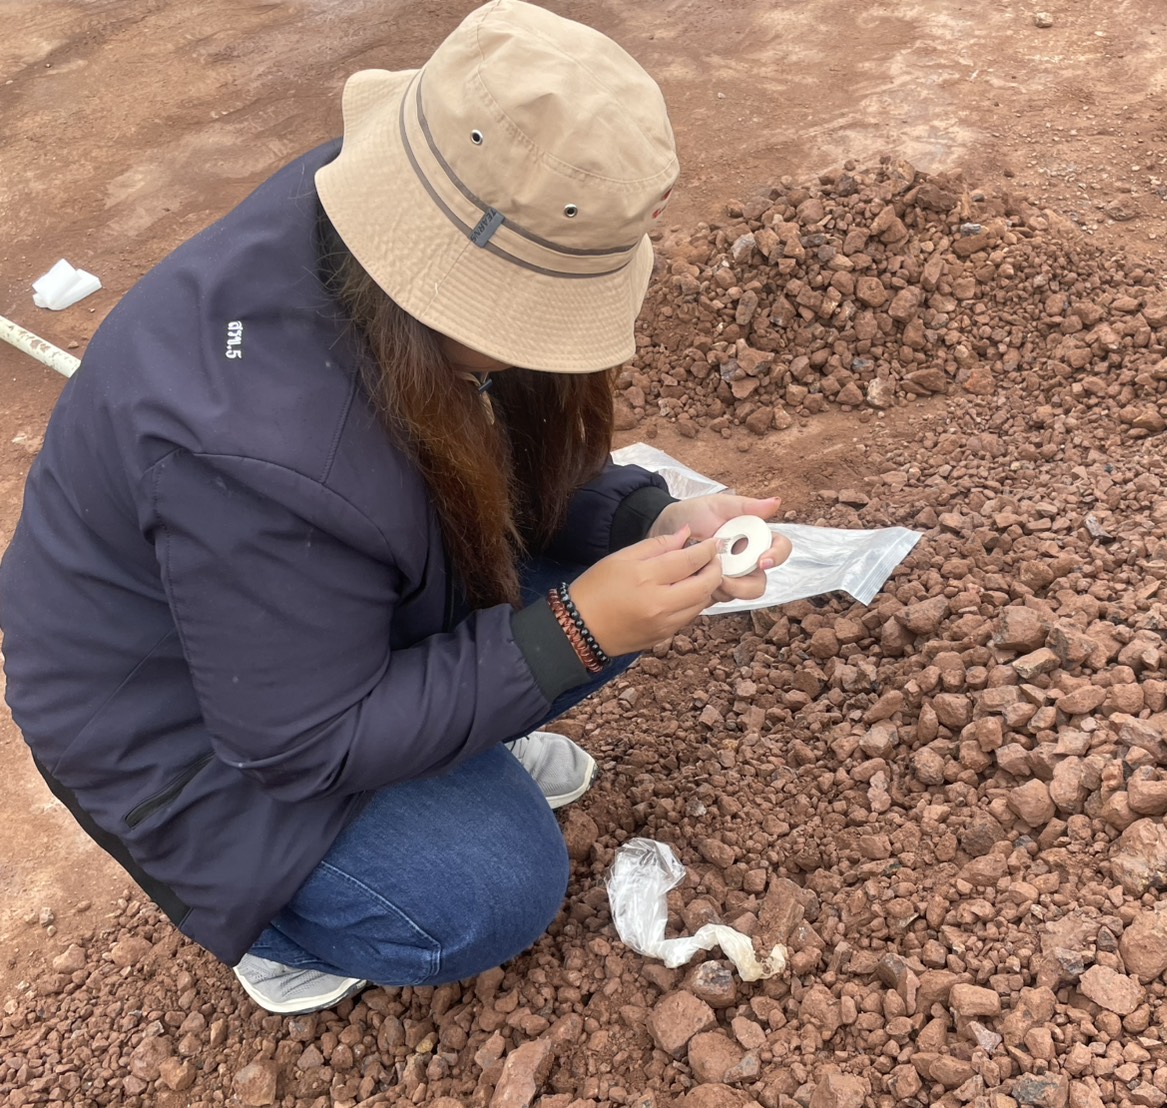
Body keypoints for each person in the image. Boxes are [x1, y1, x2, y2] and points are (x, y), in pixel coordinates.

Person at [0, 0, 790, 1017]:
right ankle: (277, 937)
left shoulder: (414, 213)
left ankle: (456, 742)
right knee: (490, 886)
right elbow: (299, 742)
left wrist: (648, 518)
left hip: (309, 606)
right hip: (183, 729)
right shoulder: (252, 451)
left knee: (641, 581)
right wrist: (572, 632)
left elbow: (512, 456)